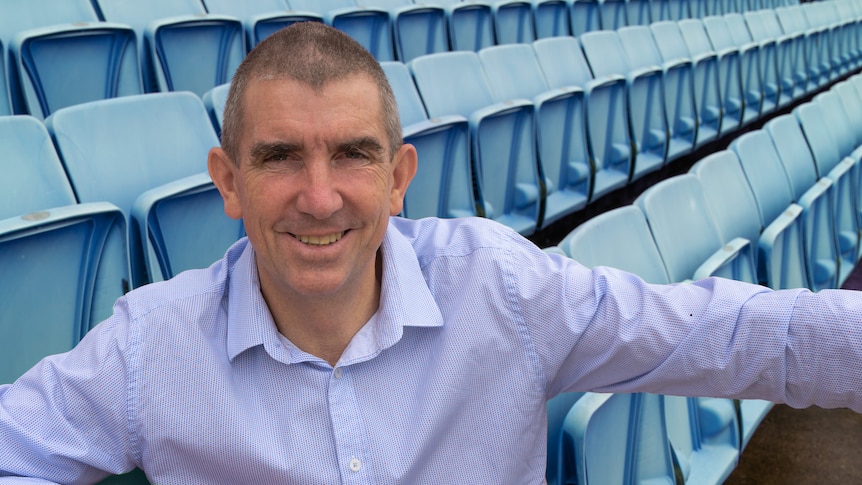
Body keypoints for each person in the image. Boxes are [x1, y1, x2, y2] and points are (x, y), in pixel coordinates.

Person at [1, 21, 862, 484]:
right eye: (278, 158)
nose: (319, 194)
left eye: (353, 154)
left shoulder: (499, 286)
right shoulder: (153, 344)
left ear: (400, 174)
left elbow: (738, 332)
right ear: (226, 181)